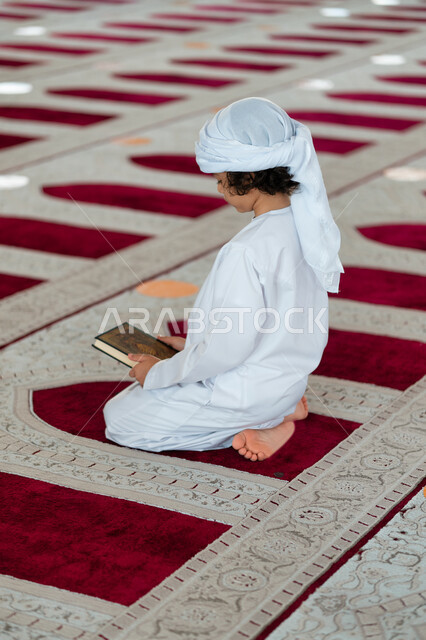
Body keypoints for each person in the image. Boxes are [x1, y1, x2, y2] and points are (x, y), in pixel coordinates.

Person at [103, 97, 344, 461]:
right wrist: (191, 344)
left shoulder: (246, 249)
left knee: (120, 419)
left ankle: (269, 421)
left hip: (242, 392)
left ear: (246, 177)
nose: (218, 189)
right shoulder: (308, 227)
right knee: (165, 379)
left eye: (220, 179)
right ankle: (282, 407)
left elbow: (227, 349)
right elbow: (266, 327)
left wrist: (159, 372)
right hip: (284, 381)